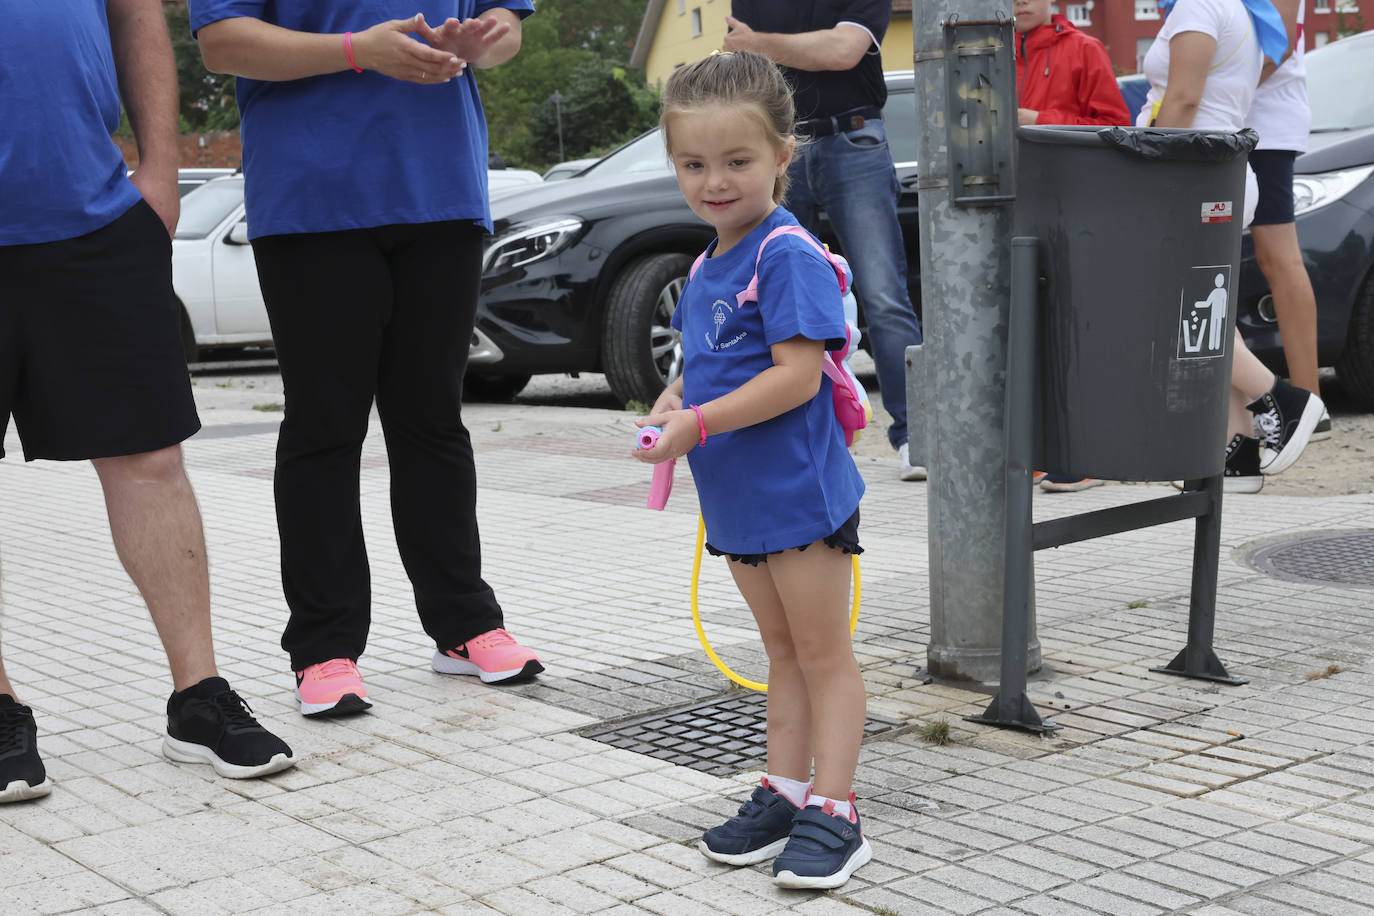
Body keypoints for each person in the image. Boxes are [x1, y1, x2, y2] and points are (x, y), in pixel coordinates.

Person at [190, 2, 543, 718]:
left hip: (440, 191)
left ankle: (464, 624)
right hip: (312, 199)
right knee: (325, 427)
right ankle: (324, 647)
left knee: (433, 422)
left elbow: (505, 26)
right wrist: (358, 51)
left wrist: (488, 39)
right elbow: (223, 44)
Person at [0, 0, 296, 803]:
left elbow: (134, 13)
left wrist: (161, 167)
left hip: (91, 216)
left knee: (150, 457)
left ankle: (197, 697)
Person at [636, 50, 872, 890]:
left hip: (799, 497)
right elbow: (708, 363)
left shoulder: (785, 252)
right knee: (779, 651)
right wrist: (674, 401)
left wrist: (696, 422)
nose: (715, 181)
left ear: (783, 154)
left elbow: (797, 374)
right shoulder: (708, 260)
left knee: (823, 655)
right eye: (693, 164)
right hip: (738, 500)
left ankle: (836, 810)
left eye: (737, 161)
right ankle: (785, 788)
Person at [724, 2, 927, 482]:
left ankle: (917, 437)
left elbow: (842, 51)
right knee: (775, 300)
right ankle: (787, 436)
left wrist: (759, 43)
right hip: (778, 149)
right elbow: (745, 72)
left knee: (883, 297)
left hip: (853, 140)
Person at [1141, 0, 1324, 493]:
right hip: (1219, 167)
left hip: (1199, 171)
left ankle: (1286, 400)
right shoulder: (1228, 8)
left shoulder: (1202, 7)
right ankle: (1235, 447)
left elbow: (1181, 101)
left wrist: (1153, 178)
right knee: (1200, 300)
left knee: (1187, 306)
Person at [1015, 0, 1132, 493]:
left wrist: (1038, 117)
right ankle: (1037, 451)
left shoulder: (1085, 49)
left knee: (1074, 329)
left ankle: (1082, 454)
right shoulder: (984, 53)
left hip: (1074, 208)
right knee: (1022, 328)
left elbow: (1115, 128)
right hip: (1012, 204)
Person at [1243, 0, 1330, 438]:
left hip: (1264, 127)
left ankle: (1309, 401)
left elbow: (1278, 43)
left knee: (1278, 258)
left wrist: (1225, 94)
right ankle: (1250, 405)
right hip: (1230, 122)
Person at [1014, 0, 1133, 129]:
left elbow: (1116, 127)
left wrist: (1041, 121)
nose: (1021, 1)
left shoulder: (1085, 49)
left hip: (1064, 149)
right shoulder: (993, 53)